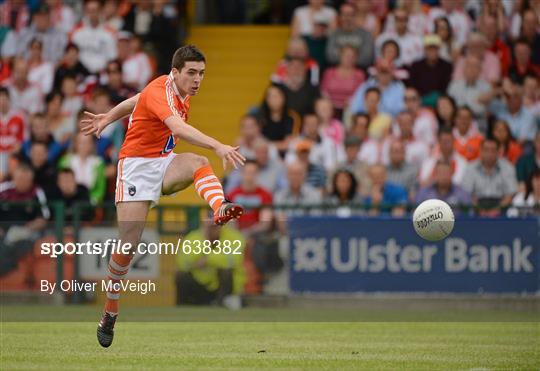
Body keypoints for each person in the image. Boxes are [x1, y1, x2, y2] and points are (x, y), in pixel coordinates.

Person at [81, 45, 246, 348]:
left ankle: (220, 206)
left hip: (163, 161)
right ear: (176, 72)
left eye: (202, 74)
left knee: (198, 163)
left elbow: (135, 99)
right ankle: (110, 309)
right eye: (192, 73)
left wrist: (109, 117)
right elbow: (177, 127)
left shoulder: (174, 91)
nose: (198, 80)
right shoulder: (162, 90)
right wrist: (219, 145)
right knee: (128, 245)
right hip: (135, 168)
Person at [175, 217, 246, 308]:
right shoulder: (194, 237)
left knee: (226, 272)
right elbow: (182, 261)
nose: (212, 230)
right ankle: (182, 308)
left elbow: (234, 259)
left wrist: (207, 259)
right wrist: (205, 242)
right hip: (202, 285)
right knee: (181, 276)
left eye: (215, 226)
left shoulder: (233, 236)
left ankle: (222, 304)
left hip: (224, 288)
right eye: (209, 227)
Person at [461, 138, 518, 213]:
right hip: (477, 208)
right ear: (480, 151)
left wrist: (497, 210)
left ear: (498, 152)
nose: (489, 154)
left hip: (501, 207)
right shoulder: (470, 168)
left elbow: (510, 195)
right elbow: (466, 194)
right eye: (486, 150)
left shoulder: (508, 167)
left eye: (493, 150)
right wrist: (479, 210)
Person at [407, 34, 452, 106]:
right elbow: (413, 86)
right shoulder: (416, 66)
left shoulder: (447, 66)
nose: (432, 51)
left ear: (438, 49)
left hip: (440, 103)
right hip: (419, 102)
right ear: (425, 50)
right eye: (429, 48)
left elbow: (446, 87)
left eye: (435, 48)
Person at [325, 3, 374, 69]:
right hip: (337, 72)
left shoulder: (366, 34)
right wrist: (352, 58)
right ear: (340, 17)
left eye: (351, 15)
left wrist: (346, 59)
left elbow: (367, 58)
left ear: (356, 16)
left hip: (360, 71)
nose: (347, 18)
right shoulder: (334, 34)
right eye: (344, 15)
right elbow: (330, 57)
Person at [321, 45, 365, 115]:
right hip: (330, 106)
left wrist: (351, 101)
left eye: (352, 57)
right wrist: (330, 103)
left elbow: (360, 93)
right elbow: (324, 91)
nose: (349, 59)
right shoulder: (329, 72)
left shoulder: (359, 74)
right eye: (346, 56)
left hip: (349, 107)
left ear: (356, 58)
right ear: (340, 56)